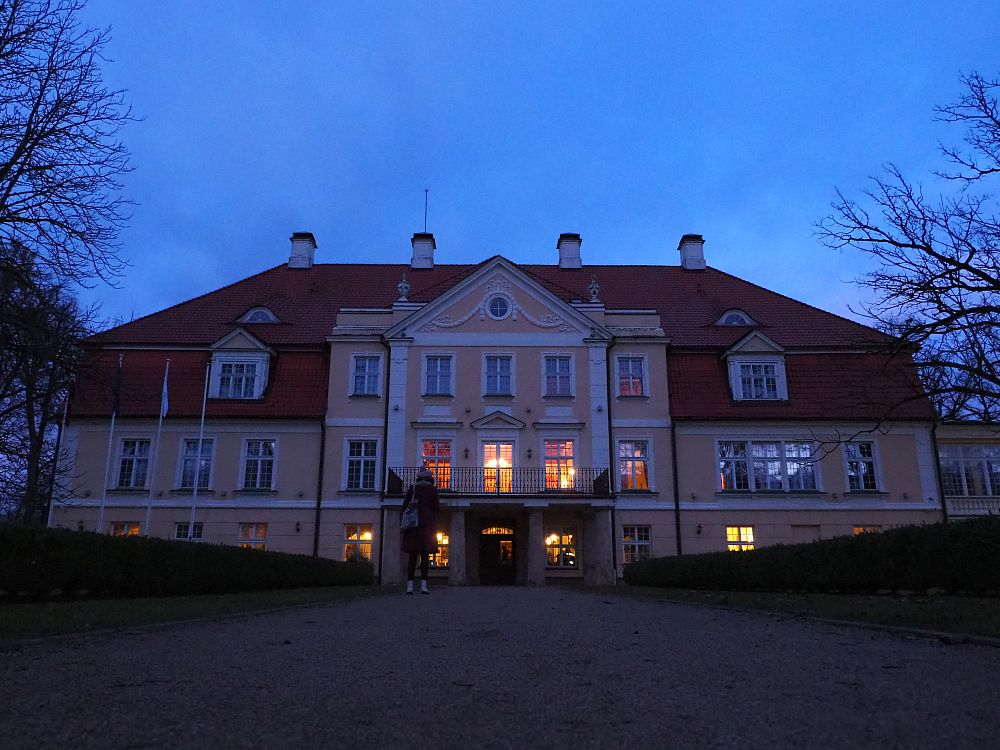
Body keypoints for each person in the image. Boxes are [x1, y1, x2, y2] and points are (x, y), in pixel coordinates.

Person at [401, 467, 440, 594]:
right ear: (430, 479)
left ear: (418, 478)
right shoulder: (433, 491)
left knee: (412, 557)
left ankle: (410, 586)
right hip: (427, 527)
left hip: (414, 526)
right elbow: (436, 508)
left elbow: (404, 506)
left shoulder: (413, 489)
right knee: (425, 557)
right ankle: (424, 586)